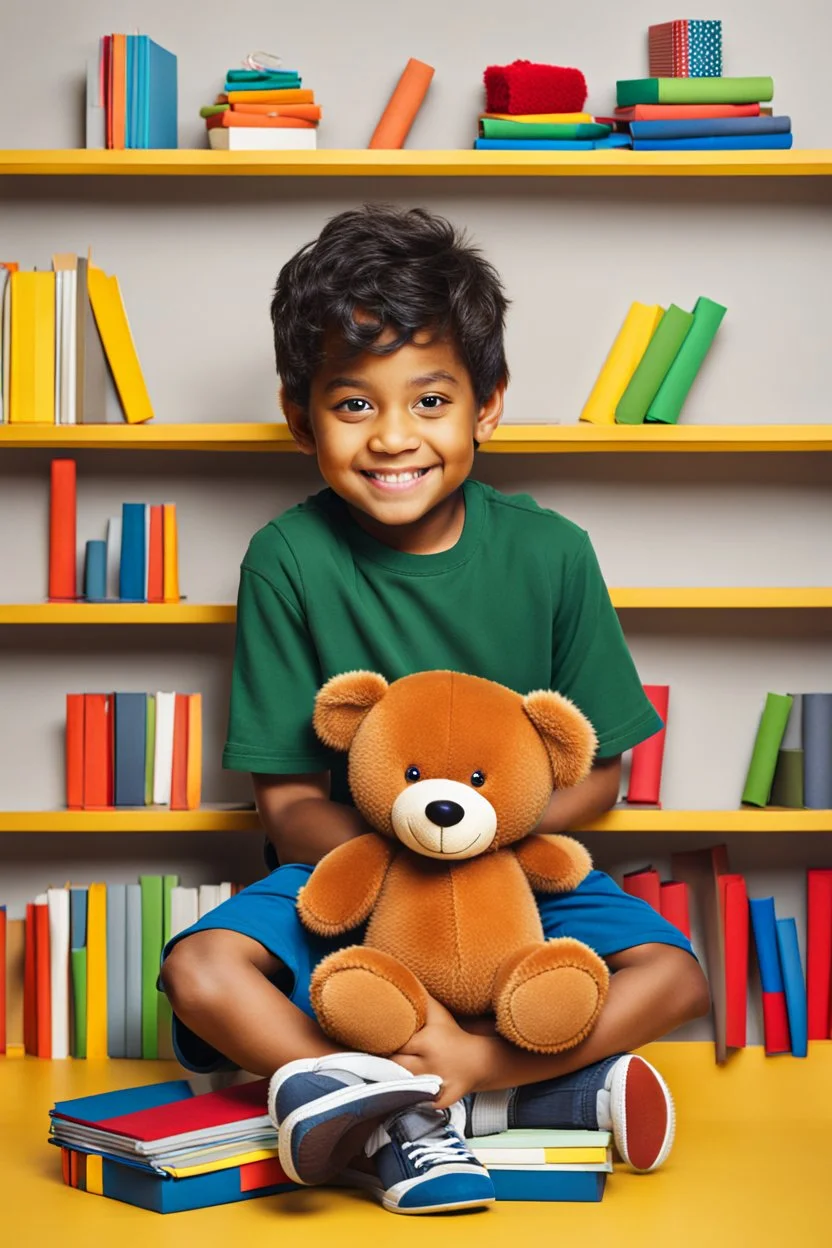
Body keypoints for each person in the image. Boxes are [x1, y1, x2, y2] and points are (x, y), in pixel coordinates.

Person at [160, 204, 710, 1216]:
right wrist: (406, 859)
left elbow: (601, 771)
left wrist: (491, 845)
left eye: (429, 400)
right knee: (200, 973)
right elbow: (285, 805)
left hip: (518, 871)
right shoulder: (289, 556)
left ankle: (467, 1078)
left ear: (487, 407)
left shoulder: (551, 553)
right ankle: (438, 1110)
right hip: (351, 878)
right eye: (354, 406)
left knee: (676, 974)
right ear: (300, 417)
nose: (395, 438)